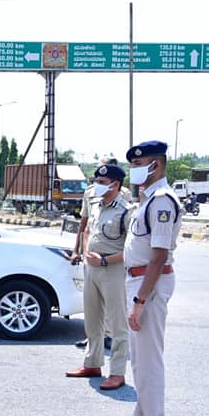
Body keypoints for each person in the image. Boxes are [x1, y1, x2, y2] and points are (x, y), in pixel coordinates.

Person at [112, 140, 182, 416]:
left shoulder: (162, 201)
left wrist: (140, 302)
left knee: (149, 360)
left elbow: (157, 257)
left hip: (148, 287)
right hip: (139, 283)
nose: (134, 171)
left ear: (155, 165)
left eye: (139, 165)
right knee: (139, 358)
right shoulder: (148, 199)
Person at [65, 164, 132, 390]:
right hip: (91, 267)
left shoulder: (126, 210)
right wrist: (84, 253)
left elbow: (132, 251)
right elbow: (86, 231)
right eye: (96, 181)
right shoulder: (95, 204)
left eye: (102, 183)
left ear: (115, 184)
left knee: (117, 322)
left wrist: (104, 260)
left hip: (112, 269)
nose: (97, 186)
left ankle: (117, 372)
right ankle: (92, 363)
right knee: (92, 319)